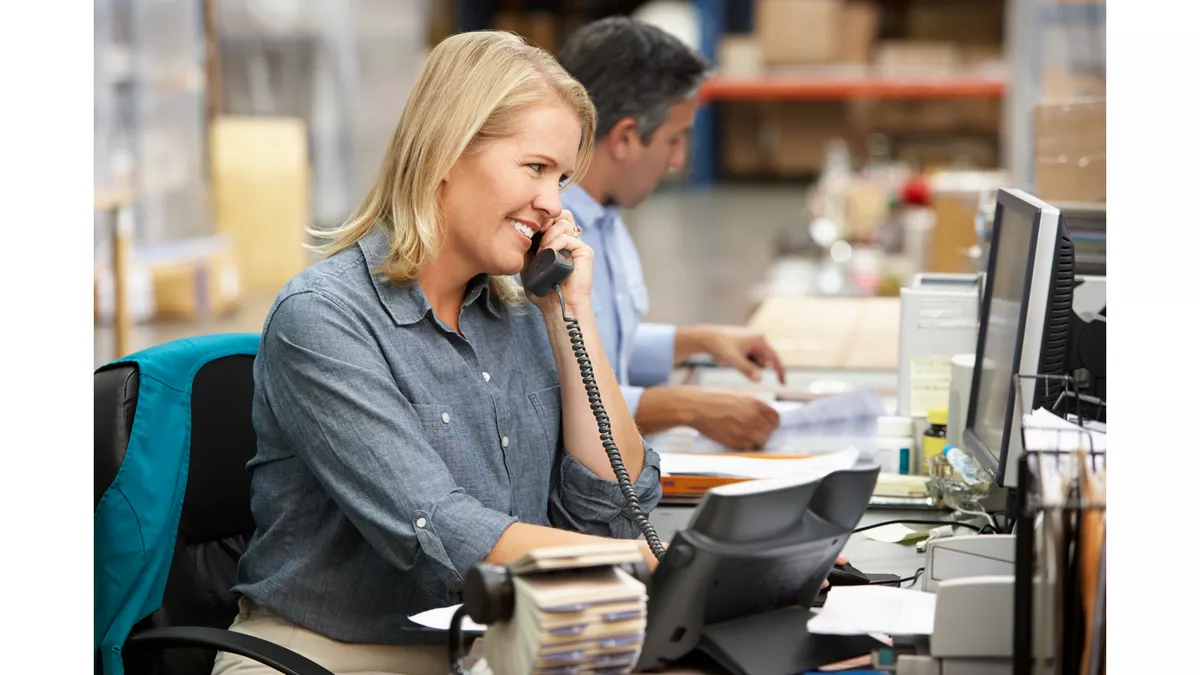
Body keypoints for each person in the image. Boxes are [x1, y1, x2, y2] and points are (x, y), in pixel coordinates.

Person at [213, 31, 662, 675]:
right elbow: (437, 528)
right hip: (326, 652)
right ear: (447, 151)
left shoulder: (522, 315)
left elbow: (611, 513)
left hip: (492, 643)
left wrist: (572, 318)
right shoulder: (325, 317)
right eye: (535, 168)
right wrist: (651, 563)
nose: (553, 205)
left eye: (562, 178)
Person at [557, 18, 787, 451]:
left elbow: (599, 349)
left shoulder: (605, 217)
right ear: (626, 137)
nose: (678, 160)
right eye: (674, 139)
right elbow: (553, 399)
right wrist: (688, 407)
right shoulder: (548, 241)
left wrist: (698, 341)